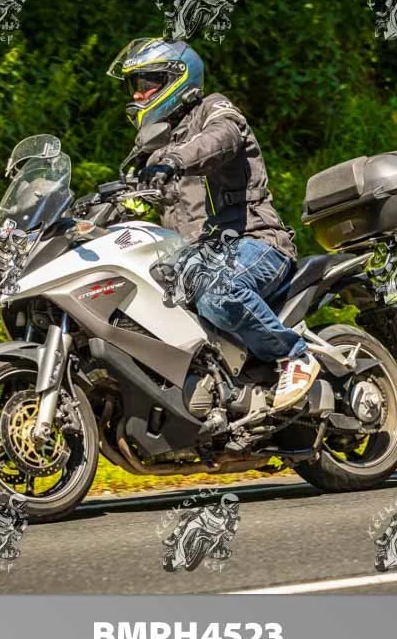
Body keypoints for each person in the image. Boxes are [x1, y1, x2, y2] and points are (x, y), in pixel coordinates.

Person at [106, 37, 319, 412]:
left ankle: (294, 356)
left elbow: (222, 139)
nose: (138, 95)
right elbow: (132, 198)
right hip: (195, 259)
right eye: (133, 86)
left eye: (146, 83)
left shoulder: (214, 110)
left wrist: (174, 160)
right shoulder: (154, 149)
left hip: (255, 242)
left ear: (177, 79)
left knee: (216, 290)